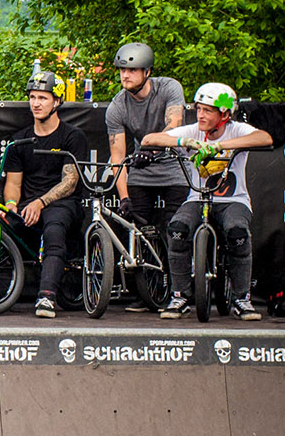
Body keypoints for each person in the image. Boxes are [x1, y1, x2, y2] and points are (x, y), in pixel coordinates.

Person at [142, 82, 272, 321]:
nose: (200, 115)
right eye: (198, 109)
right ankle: (179, 296)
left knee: (237, 233)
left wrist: (219, 146)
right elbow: (149, 140)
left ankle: (242, 299)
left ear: (224, 114)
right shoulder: (193, 130)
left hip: (234, 200)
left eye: (208, 110)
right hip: (197, 197)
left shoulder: (237, 129)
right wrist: (186, 143)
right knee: (177, 229)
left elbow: (264, 138)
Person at [104, 41, 187, 308]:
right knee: (141, 232)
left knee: (175, 230)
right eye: (121, 70)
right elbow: (118, 158)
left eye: (132, 70)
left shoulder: (170, 88)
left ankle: (179, 293)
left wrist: (151, 148)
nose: (125, 75)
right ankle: (147, 293)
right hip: (142, 169)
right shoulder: (116, 107)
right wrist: (124, 197)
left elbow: (174, 127)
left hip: (175, 165)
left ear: (147, 72)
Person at [2, 73, 89, 318]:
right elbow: (13, 183)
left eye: (43, 97)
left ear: (57, 102)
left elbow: (70, 183)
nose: (36, 103)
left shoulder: (72, 136)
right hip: (29, 206)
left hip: (63, 204)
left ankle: (47, 297)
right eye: (32, 97)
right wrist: (11, 205)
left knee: (53, 228)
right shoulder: (20, 139)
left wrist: (40, 203)